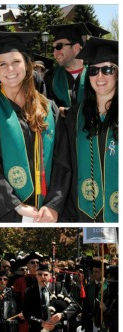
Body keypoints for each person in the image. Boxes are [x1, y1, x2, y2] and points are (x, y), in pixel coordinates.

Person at [0, 31, 71, 223]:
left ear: (27, 63)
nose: (10, 69)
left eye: (16, 62)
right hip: (8, 212)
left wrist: (53, 205)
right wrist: (15, 204)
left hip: (49, 213)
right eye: (3, 64)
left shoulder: (48, 108)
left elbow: (63, 160)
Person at [62, 37, 118, 222]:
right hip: (83, 211)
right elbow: (66, 164)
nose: (100, 76)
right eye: (93, 71)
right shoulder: (76, 116)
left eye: (107, 69)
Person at [45, 23, 89, 118]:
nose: (54, 52)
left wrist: (65, 111)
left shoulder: (96, 75)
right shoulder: (50, 78)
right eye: (53, 48)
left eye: (59, 46)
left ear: (76, 47)